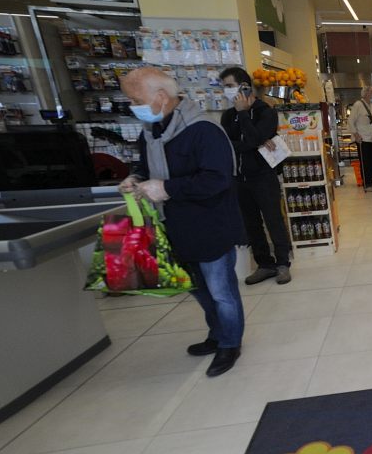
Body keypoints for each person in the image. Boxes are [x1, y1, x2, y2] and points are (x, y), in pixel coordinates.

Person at [119, 67, 246, 378]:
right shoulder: (152, 132)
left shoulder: (203, 130)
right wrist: (135, 178)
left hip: (210, 225)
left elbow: (218, 179)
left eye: (136, 100)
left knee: (221, 291)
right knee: (198, 289)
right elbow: (146, 165)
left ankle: (230, 343)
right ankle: (217, 333)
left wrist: (167, 188)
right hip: (175, 227)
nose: (133, 106)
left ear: (161, 97)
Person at [219, 66, 292, 285]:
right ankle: (265, 264)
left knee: (273, 220)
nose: (226, 90)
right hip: (239, 178)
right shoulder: (227, 116)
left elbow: (252, 139)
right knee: (251, 224)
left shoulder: (265, 112)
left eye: (230, 86)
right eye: (224, 87)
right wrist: (254, 142)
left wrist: (243, 114)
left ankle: (282, 264)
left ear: (244, 86)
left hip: (263, 176)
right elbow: (228, 146)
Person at [350, 85, 372, 191]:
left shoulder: (370, 105)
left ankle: (371, 181)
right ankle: (366, 184)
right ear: (366, 93)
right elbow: (350, 121)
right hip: (362, 139)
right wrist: (356, 134)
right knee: (365, 162)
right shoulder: (358, 105)